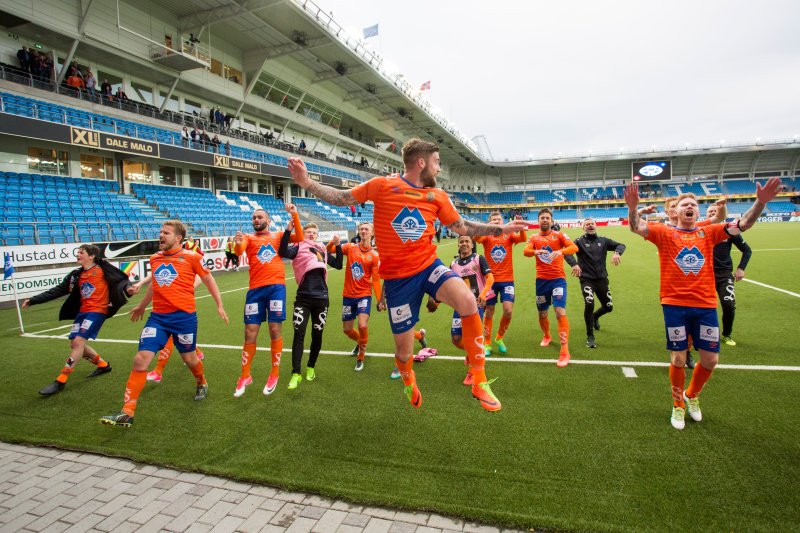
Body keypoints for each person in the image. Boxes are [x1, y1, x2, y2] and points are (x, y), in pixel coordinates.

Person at [287, 138, 528, 412]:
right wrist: (306, 183)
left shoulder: (437, 197)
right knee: (403, 353)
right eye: (436, 162)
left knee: (468, 302)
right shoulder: (382, 185)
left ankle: (479, 381)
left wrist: (501, 230)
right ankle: (408, 378)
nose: (439, 169)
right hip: (398, 281)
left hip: (429, 266)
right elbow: (342, 198)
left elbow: (463, 227)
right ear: (421, 162)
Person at [623, 178, 782, 430]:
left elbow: (744, 224)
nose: (689, 206)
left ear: (697, 211)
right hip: (674, 305)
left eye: (693, 204)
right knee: (678, 358)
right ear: (676, 211)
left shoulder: (709, 232)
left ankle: (692, 394)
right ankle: (677, 404)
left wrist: (760, 202)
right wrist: (633, 208)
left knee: (710, 360)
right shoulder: (664, 233)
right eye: (684, 203)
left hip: (705, 305)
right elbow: (635, 228)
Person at [99, 220, 229, 428]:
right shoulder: (155, 258)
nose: (161, 235)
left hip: (184, 319)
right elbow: (155, 285)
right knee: (141, 359)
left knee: (190, 358)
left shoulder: (192, 257)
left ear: (178, 238)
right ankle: (127, 412)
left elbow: (209, 279)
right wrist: (142, 306)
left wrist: (219, 305)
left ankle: (201, 381)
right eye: (160, 232)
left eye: (166, 232)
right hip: (158, 318)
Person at [22, 244, 137, 396]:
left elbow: (121, 280)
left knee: (78, 343)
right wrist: (33, 300)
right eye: (78, 252)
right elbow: (58, 290)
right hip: (82, 312)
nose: (78, 254)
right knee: (75, 344)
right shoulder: (76, 275)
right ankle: (103, 365)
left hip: (97, 312)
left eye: (81, 252)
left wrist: (128, 288)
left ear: (92, 256)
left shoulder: (104, 269)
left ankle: (61, 380)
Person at [232, 204, 303, 397]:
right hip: (255, 290)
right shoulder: (248, 237)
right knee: (250, 332)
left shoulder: (279, 235)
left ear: (268, 220)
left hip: (276, 288)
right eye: (254, 217)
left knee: (274, 329)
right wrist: (238, 243)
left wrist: (295, 215)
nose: (256, 220)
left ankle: (274, 373)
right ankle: (245, 375)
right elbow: (239, 252)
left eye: (260, 217)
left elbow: (300, 237)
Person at [279, 222, 342, 389]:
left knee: (317, 335)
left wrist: (338, 246)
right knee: (298, 334)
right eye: (308, 232)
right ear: (303, 234)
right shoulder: (298, 246)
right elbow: (282, 252)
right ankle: (296, 373)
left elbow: (338, 264)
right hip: (303, 299)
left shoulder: (321, 247)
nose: (311, 234)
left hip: (322, 298)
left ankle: (311, 367)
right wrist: (288, 230)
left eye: (314, 232)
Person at [523, 208, 578, 367]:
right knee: (542, 313)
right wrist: (535, 251)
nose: (545, 220)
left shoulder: (559, 235)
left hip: (558, 280)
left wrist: (560, 252)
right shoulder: (534, 237)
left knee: (560, 311)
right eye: (542, 218)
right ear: (538, 221)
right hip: (541, 281)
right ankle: (547, 335)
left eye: (547, 218)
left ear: (552, 221)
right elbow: (525, 251)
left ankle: (565, 351)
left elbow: (574, 247)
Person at [564, 218, 626, 348]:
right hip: (586, 279)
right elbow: (567, 252)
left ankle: (595, 317)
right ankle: (590, 336)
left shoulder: (603, 241)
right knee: (589, 303)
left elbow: (621, 245)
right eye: (587, 224)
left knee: (608, 307)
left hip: (602, 279)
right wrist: (574, 264)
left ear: (596, 226)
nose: (590, 225)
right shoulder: (579, 242)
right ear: (583, 228)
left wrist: (617, 253)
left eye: (592, 224)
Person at [441, 235, 494, 386]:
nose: (464, 244)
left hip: (476, 305)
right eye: (461, 242)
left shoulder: (478, 259)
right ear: (458, 245)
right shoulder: (453, 264)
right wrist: (436, 302)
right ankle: (473, 354)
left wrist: (483, 295)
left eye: (467, 242)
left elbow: (490, 278)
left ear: (472, 244)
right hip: (459, 305)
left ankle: (472, 371)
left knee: (473, 336)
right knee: (456, 339)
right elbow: (448, 285)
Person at [474, 212, 526, 356]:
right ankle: (488, 343)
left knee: (508, 311)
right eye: (494, 220)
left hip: (507, 280)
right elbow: (476, 238)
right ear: (490, 222)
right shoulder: (487, 236)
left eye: (499, 219)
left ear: (503, 221)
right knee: (489, 311)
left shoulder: (508, 235)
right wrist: (486, 228)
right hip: (490, 280)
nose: (497, 221)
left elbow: (522, 239)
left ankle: (499, 338)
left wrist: (520, 227)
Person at [337, 223, 382, 371]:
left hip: (364, 294)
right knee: (347, 330)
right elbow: (331, 250)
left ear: (372, 233)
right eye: (361, 229)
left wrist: (380, 299)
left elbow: (375, 279)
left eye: (366, 229)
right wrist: (334, 242)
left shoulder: (375, 256)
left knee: (362, 325)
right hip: (348, 295)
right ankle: (361, 342)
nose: (363, 231)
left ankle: (361, 356)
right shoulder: (350, 248)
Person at [706, 204, 752, 346]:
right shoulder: (700, 230)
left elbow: (747, 250)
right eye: (710, 211)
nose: (713, 213)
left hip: (724, 274)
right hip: (704, 275)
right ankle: (701, 335)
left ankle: (726, 334)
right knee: (703, 307)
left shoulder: (729, 231)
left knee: (728, 305)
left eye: (716, 211)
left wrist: (741, 268)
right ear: (706, 215)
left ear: (721, 213)